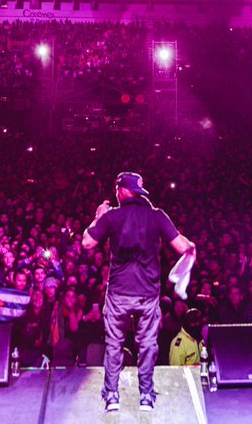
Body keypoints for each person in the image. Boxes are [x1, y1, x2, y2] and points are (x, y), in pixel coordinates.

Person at [82, 172, 195, 413]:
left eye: (117, 189)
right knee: (148, 345)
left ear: (124, 190)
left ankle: (112, 396)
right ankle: (145, 396)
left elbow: (87, 243)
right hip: (147, 294)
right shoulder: (157, 215)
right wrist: (191, 247)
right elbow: (182, 247)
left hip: (119, 294)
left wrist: (97, 217)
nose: (115, 193)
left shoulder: (111, 216)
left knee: (114, 344)